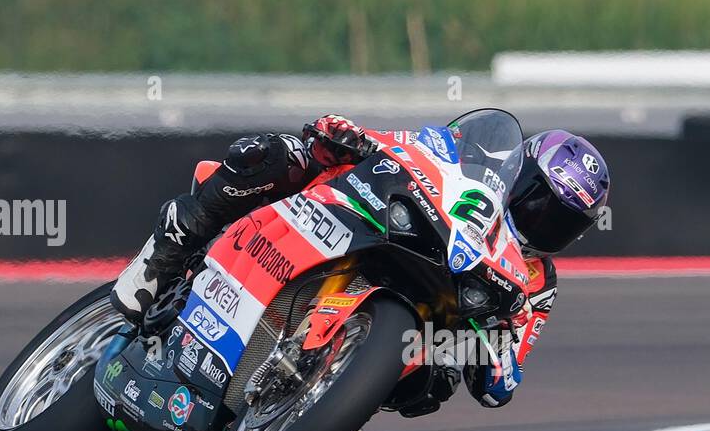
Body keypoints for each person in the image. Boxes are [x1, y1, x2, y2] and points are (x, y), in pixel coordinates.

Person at [110, 115, 610, 411]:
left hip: (425, 317)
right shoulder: (462, 159)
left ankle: (327, 390)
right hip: (382, 227)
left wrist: (486, 348)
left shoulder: (536, 285)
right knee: (278, 154)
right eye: (538, 201)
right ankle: (168, 251)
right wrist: (347, 135)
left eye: (561, 220)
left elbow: (502, 382)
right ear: (518, 174)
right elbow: (401, 147)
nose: (542, 222)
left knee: (434, 383)